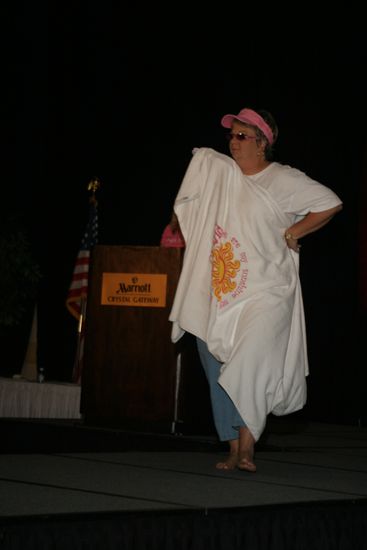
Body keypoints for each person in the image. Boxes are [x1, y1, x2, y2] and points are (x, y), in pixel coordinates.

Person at [168, 107, 343, 473]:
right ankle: (232, 448)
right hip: (222, 288)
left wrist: (293, 232)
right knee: (215, 363)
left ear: (262, 143)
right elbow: (191, 208)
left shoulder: (283, 179)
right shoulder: (222, 176)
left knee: (251, 362)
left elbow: (330, 203)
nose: (233, 142)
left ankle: (247, 447)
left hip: (266, 291)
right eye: (231, 135)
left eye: (241, 135)